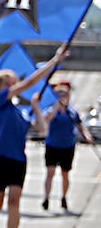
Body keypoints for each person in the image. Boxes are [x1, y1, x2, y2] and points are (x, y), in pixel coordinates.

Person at [0, 46, 68, 228]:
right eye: (9, 83)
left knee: (14, 202)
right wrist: (53, 62)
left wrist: (35, 106)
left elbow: (41, 128)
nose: (14, 86)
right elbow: (29, 83)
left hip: (17, 160)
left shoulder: (19, 112)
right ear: (2, 86)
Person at [42, 82, 92, 212]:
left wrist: (86, 135)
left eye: (65, 94)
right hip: (53, 144)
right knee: (50, 172)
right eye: (60, 94)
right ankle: (46, 198)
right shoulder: (51, 110)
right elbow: (47, 119)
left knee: (65, 173)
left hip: (67, 145)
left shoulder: (72, 112)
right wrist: (56, 108)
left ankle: (63, 197)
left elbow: (80, 125)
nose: (62, 97)